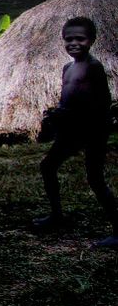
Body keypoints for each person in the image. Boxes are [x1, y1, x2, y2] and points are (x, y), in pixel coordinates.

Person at [33, 16, 118, 248]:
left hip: (92, 129)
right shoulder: (67, 68)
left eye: (79, 39)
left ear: (91, 40)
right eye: (68, 39)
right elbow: (68, 97)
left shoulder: (94, 67)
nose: (73, 43)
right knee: (48, 166)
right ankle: (57, 215)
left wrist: (71, 114)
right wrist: (58, 113)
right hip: (71, 129)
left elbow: (101, 103)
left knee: (95, 178)